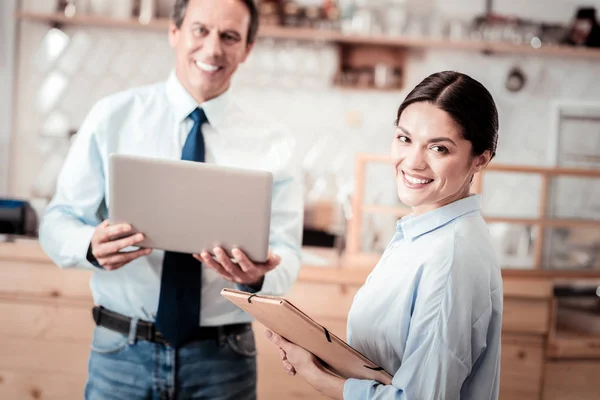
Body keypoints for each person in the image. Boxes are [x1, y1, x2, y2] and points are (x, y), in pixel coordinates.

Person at [38, 0, 303, 399]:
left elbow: (288, 253)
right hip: (121, 351)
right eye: (200, 30)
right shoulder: (112, 116)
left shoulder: (274, 143)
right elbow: (58, 220)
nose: (213, 49)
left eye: (229, 36)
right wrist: (88, 246)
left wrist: (259, 276)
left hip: (223, 359)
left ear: (247, 48)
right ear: (174, 32)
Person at [266, 71, 503, 399]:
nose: (413, 162)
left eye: (439, 148)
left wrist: (314, 374)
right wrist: (321, 355)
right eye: (405, 139)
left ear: (480, 159)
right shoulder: (422, 235)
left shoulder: (450, 259)